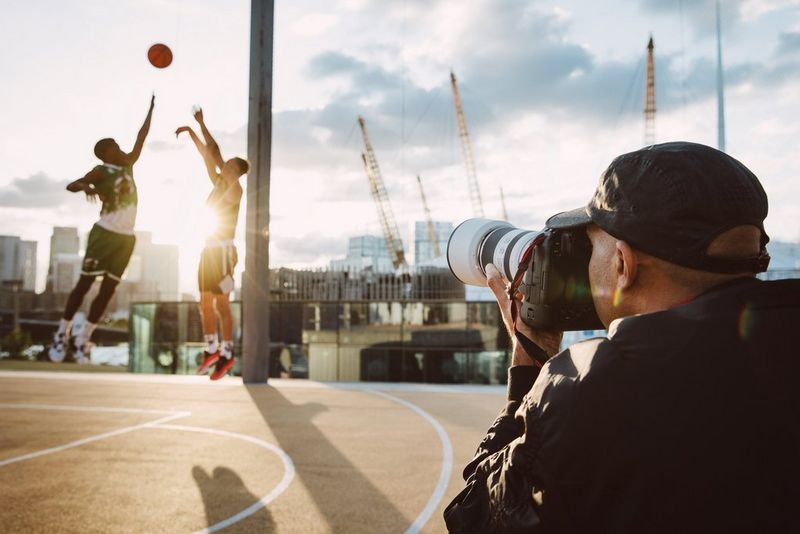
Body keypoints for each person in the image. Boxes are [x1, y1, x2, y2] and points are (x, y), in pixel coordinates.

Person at [444, 142, 800, 533]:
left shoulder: (586, 394)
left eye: (589, 245)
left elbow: (473, 518)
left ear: (623, 264)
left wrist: (529, 364)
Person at [48, 95, 155, 364]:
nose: (120, 148)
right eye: (115, 146)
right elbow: (71, 185)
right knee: (85, 284)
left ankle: (84, 338)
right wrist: (86, 186)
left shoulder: (128, 164)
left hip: (126, 239)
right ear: (106, 152)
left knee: (108, 290)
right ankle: (62, 332)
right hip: (104, 234)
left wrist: (151, 108)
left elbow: (141, 136)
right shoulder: (100, 170)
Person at [176, 108, 249, 381]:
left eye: (230, 166)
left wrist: (202, 124)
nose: (224, 166)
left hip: (225, 255)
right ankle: (211, 348)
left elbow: (214, 152)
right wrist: (193, 132)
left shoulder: (235, 190)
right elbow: (207, 155)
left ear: (237, 172)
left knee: (222, 305)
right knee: (204, 303)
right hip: (208, 252)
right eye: (225, 164)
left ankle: (228, 353)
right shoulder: (218, 183)